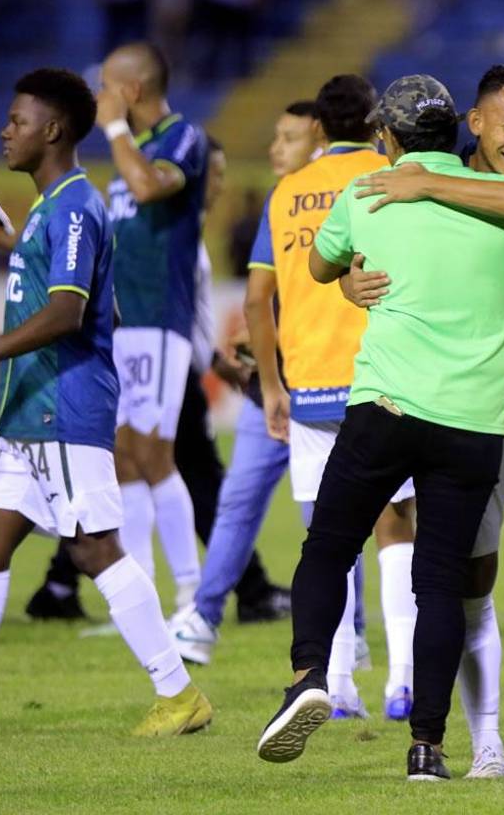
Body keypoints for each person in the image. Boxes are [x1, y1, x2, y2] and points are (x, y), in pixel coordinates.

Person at [255, 74, 504, 781]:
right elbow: (335, 266)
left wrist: (424, 188)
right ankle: (472, 742)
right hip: (475, 413)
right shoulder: (419, 190)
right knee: (462, 580)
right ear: (472, 124)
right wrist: (350, 281)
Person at [0, 67, 211, 737]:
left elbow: (68, 313)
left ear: (55, 130)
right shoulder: (53, 208)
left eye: (17, 121)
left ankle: (179, 694)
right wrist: (9, 241)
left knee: (97, 548)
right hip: (28, 410)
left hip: (62, 410)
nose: (6, 131)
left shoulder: (72, 204)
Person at [25, 136, 291, 623]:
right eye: (213, 174)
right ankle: (220, 592)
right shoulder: (168, 233)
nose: (218, 185)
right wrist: (214, 361)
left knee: (146, 465)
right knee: (159, 467)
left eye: (222, 175)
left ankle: (73, 586)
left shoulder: (182, 235)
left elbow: (189, 311)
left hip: (177, 363)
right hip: (166, 362)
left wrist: (214, 359)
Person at [220, 74, 414, 721]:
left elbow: (255, 298)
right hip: (383, 376)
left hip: (307, 383)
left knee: (326, 537)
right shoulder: (391, 176)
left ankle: (337, 685)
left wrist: (271, 386)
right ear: (374, 121)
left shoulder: (286, 193)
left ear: (321, 129)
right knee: (395, 528)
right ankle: (401, 684)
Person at [166, 101, 322, 644]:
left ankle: (353, 639)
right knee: (235, 501)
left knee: (327, 524)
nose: (276, 149)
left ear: (320, 142)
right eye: (276, 136)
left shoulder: (346, 207)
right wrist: (248, 348)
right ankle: (204, 616)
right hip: (269, 390)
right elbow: (266, 303)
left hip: (324, 390)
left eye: (289, 138)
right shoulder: (280, 207)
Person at [98, 41, 208, 612]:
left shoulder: (182, 137)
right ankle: (139, 594)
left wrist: (115, 130)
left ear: (132, 91)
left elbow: (148, 187)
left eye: (106, 87)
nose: (99, 99)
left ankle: (191, 592)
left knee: (154, 451)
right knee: (122, 454)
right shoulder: (133, 148)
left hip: (161, 318)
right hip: (122, 322)